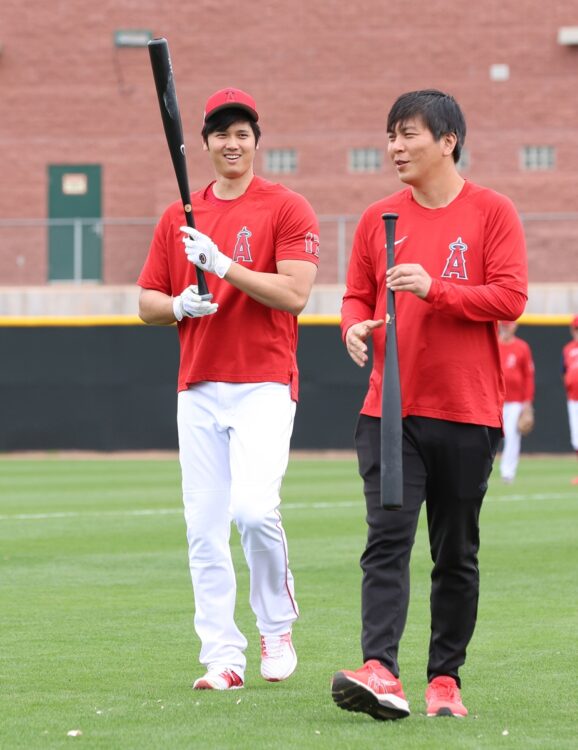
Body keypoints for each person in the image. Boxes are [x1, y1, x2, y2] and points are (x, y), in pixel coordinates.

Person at [331, 89, 527, 720]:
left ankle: (445, 679)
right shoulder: (375, 218)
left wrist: (436, 289)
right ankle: (380, 670)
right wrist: (353, 327)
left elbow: (510, 297)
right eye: (390, 135)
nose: (395, 147)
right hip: (389, 412)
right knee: (386, 538)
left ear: (448, 141)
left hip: (469, 412)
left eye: (408, 134)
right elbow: (355, 297)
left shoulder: (493, 211)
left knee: (455, 552)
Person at [137, 88, 320, 691]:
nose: (231, 142)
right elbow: (146, 302)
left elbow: (295, 295)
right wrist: (178, 304)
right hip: (198, 385)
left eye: (242, 132)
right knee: (204, 526)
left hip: (265, 381)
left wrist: (221, 266)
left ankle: (277, 625)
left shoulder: (288, 208)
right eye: (221, 133)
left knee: (253, 510)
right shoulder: (179, 214)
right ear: (206, 144)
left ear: (256, 140)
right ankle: (222, 657)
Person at [497, 320, 535, 483]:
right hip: (494, 400)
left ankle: (508, 472)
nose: (506, 328)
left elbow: (528, 375)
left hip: (515, 401)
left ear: (515, 326)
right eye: (504, 325)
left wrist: (527, 403)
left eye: (509, 325)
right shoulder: (493, 344)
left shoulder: (522, 347)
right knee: (489, 436)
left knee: (512, 436)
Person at [561, 314, 578, 484]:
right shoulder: (567, 349)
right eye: (576, 328)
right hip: (573, 399)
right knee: (576, 437)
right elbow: (564, 372)